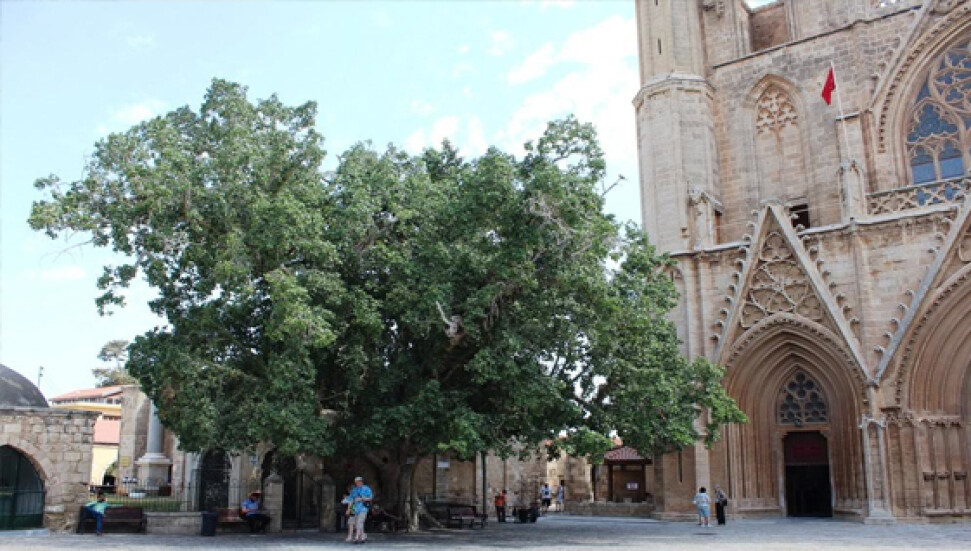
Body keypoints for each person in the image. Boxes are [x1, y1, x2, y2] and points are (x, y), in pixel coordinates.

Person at [348, 476, 373, 544]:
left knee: (360, 522)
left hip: (363, 508)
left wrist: (362, 499)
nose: (358, 483)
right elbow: (351, 500)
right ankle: (362, 537)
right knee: (356, 523)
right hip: (355, 508)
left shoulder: (367, 489)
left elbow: (370, 498)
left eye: (359, 481)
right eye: (356, 482)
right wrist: (350, 509)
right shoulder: (354, 490)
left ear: (362, 482)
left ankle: (356, 537)